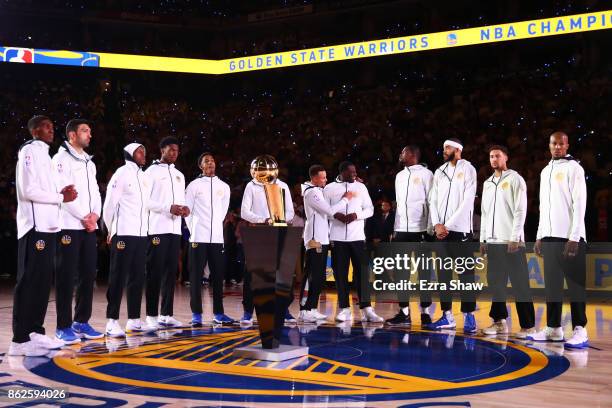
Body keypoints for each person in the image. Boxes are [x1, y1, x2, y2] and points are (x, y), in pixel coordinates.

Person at [10, 115, 78, 356]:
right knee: (29, 281)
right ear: (35, 130)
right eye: (47, 126)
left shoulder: (45, 155)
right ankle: (19, 340)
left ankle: (35, 333)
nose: (52, 130)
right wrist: (61, 198)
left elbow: (42, 190)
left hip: (49, 226)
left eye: (52, 125)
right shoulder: (29, 150)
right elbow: (28, 190)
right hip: (35, 227)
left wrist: (59, 192)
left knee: (41, 283)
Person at [529, 132, 588, 349]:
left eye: (561, 143)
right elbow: (543, 208)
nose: (557, 147)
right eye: (554, 143)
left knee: (575, 286)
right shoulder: (545, 171)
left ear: (567, 145)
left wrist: (575, 236)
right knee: (552, 286)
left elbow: (579, 204)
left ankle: (580, 329)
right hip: (550, 237)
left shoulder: (575, 168)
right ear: (549, 145)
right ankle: (554, 328)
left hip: (571, 237)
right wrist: (539, 235)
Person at [52, 119, 104, 344]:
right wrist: (84, 217)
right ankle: (63, 326)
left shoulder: (89, 162)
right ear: (72, 135)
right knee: (66, 276)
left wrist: (95, 215)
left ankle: (81, 321)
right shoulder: (60, 159)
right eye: (85, 131)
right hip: (69, 226)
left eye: (90, 131)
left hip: (88, 226)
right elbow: (63, 193)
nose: (89, 134)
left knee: (87, 274)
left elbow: (96, 193)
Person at [479, 145, 535, 338]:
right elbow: (485, 214)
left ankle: (528, 326)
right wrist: (483, 239)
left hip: (512, 242)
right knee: (497, 284)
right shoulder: (487, 183)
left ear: (506, 158)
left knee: (520, 284)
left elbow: (521, 210)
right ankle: (499, 322)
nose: (494, 159)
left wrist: (515, 237)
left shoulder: (515, 179)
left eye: (497, 156)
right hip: (493, 242)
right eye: (491, 156)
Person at [103, 143, 155, 337]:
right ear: (130, 154)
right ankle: (111, 321)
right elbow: (110, 204)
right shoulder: (121, 173)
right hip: (123, 233)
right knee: (118, 277)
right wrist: (110, 229)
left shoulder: (144, 176)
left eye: (144, 150)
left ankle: (134, 320)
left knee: (137, 277)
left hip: (141, 234)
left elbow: (147, 204)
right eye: (140, 151)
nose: (144, 154)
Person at [428, 138, 478, 333]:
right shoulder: (439, 171)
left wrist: (446, 225)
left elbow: (467, 201)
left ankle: (469, 316)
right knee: (443, 276)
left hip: (460, 230)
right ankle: (447, 316)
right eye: (443, 147)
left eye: (447, 147)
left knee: (466, 275)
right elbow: (433, 200)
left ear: (458, 149)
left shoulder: (468, 169)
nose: (443, 150)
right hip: (441, 232)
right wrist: (436, 224)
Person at [324, 161, 383, 323]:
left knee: (362, 274)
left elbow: (369, 209)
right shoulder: (329, 188)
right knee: (340, 274)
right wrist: (336, 216)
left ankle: (367, 309)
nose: (354, 175)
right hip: (337, 238)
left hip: (357, 237)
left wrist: (356, 216)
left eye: (355, 172)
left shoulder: (361, 187)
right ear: (342, 172)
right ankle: (344, 309)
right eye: (350, 172)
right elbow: (324, 210)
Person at [240, 160, 295, 324]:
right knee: (252, 274)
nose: (264, 173)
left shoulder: (283, 186)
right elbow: (244, 212)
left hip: (279, 231)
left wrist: (280, 219)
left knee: (282, 274)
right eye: (260, 169)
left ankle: (283, 309)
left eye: (267, 169)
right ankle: (248, 311)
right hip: (258, 231)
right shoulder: (251, 186)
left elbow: (291, 211)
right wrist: (263, 219)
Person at [299, 164, 354, 322]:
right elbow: (329, 211)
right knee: (313, 276)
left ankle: (311, 308)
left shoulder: (317, 190)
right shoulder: (312, 193)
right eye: (322, 177)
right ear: (314, 178)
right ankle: (306, 309)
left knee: (317, 276)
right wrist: (345, 199)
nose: (325, 179)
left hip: (321, 239)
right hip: (315, 240)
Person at [185, 153, 236, 326]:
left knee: (218, 276)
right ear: (200, 166)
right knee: (196, 276)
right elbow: (187, 211)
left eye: (213, 161)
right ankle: (196, 314)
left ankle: (219, 313)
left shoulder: (224, 186)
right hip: (198, 236)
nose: (211, 163)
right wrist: (196, 229)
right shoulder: (194, 185)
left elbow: (222, 212)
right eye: (207, 161)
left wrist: (214, 228)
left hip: (216, 238)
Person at [386, 145, 434, 327]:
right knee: (401, 273)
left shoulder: (426, 174)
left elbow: (431, 202)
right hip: (401, 230)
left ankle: (425, 312)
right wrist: (395, 228)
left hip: (421, 229)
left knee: (424, 274)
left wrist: (429, 228)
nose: (400, 154)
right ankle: (404, 311)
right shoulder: (399, 176)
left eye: (403, 152)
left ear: (412, 155)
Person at [144, 136, 189, 329]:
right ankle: (151, 315)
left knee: (171, 273)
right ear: (162, 150)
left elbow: (181, 200)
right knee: (154, 272)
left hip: (174, 229)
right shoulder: (150, 172)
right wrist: (167, 208)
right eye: (171, 150)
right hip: (156, 228)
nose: (174, 153)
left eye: (177, 150)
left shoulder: (180, 175)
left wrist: (184, 209)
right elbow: (144, 200)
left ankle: (166, 314)